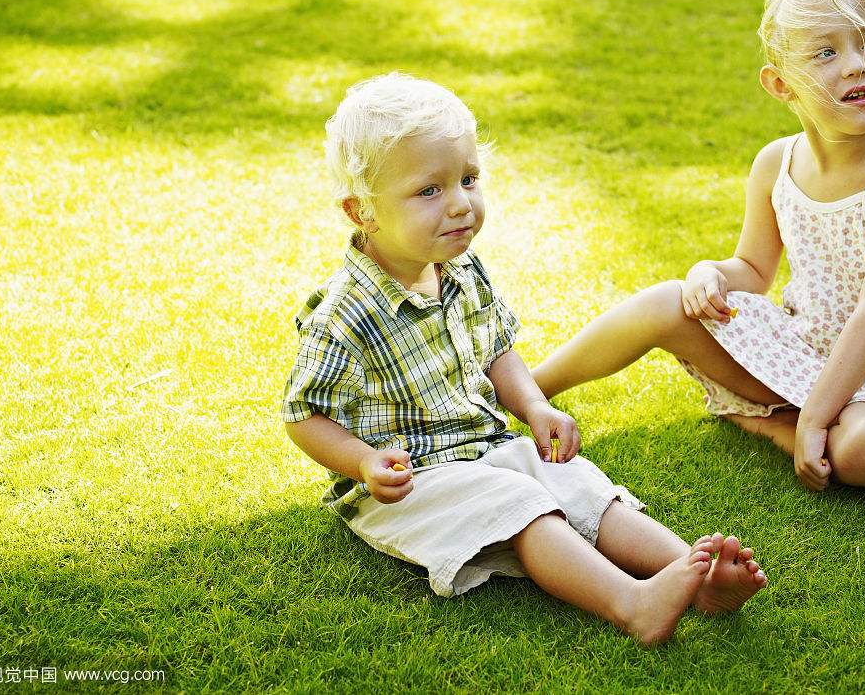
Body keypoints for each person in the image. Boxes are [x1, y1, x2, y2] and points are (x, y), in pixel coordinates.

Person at [283, 72, 767, 646]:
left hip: (485, 450)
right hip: (410, 483)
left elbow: (497, 352)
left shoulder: (460, 270)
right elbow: (302, 414)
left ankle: (696, 574)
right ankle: (632, 603)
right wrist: (364, 463)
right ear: (361, 211)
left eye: (468, 179)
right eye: (429, 190)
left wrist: (535, 407)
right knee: (524, 506)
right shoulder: (344, 316)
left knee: (576, 484)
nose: (462, 203)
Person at [533, 0, 865, 492]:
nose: (856, 66)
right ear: (781, 85)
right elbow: (754, 269)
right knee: (668, 302)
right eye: (826, 53)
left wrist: (815, 419)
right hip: (804, 351)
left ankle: (775, 424)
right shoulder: (776, 163)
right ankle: (525, 390)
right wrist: (709, 273)